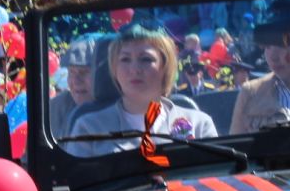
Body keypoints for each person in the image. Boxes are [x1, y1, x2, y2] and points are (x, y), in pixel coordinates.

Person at [66, 24, 221, 155]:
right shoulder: (88, 129)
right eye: (125, 59)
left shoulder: (199, 124)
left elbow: (215, 183)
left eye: (146, 59)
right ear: (114, 69)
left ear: (165, 67)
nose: (134, 69)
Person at [47, 38, 102, 133]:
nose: (76, 81)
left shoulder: (122, 108)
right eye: (71, 72)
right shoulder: (55, 108)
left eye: (84, 72)